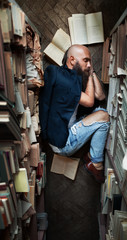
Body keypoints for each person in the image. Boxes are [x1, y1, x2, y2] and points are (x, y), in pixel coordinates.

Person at [39, 44, 110, 183]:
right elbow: (89, 101)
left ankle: (92, 158)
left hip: (66, 128)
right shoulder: (63, 79)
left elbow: (100, 97)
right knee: (104, 116)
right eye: (86, 60)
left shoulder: (72, 78)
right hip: (63, 142)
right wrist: (89, 74)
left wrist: (91, 72)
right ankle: (95, 162)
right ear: (72, 60)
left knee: (100, 111)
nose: (89, 64)